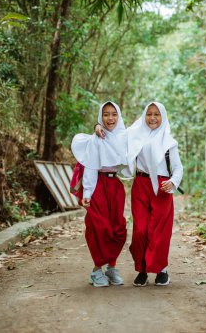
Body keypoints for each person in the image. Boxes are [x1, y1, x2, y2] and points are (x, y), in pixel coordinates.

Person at [95, 102, 183, 286]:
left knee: (158, 231)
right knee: (141, 230)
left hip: (162, 187)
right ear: (144, 116)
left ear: (163, 117)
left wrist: (173, 182)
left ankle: (161, 270)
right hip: (141, 185)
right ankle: (142, 269)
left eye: (156, 114)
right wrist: (97, 126)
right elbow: (115, 132)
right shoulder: (135, 135)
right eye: (149, 114)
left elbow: (177, 168)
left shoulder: (169, 142)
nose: (152, 118)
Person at [71, 101, 127, 287]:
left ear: (119, 116)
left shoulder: (124, 136)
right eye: (106, 114)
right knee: (100, 227)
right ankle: (97, 270)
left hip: (115, 186)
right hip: (97, 185)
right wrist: (87, 191)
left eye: (114, 114)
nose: (110, 118)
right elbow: (91, 164)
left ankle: (111, 267)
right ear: (100, 117)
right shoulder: (97, 138)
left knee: (118, 227)